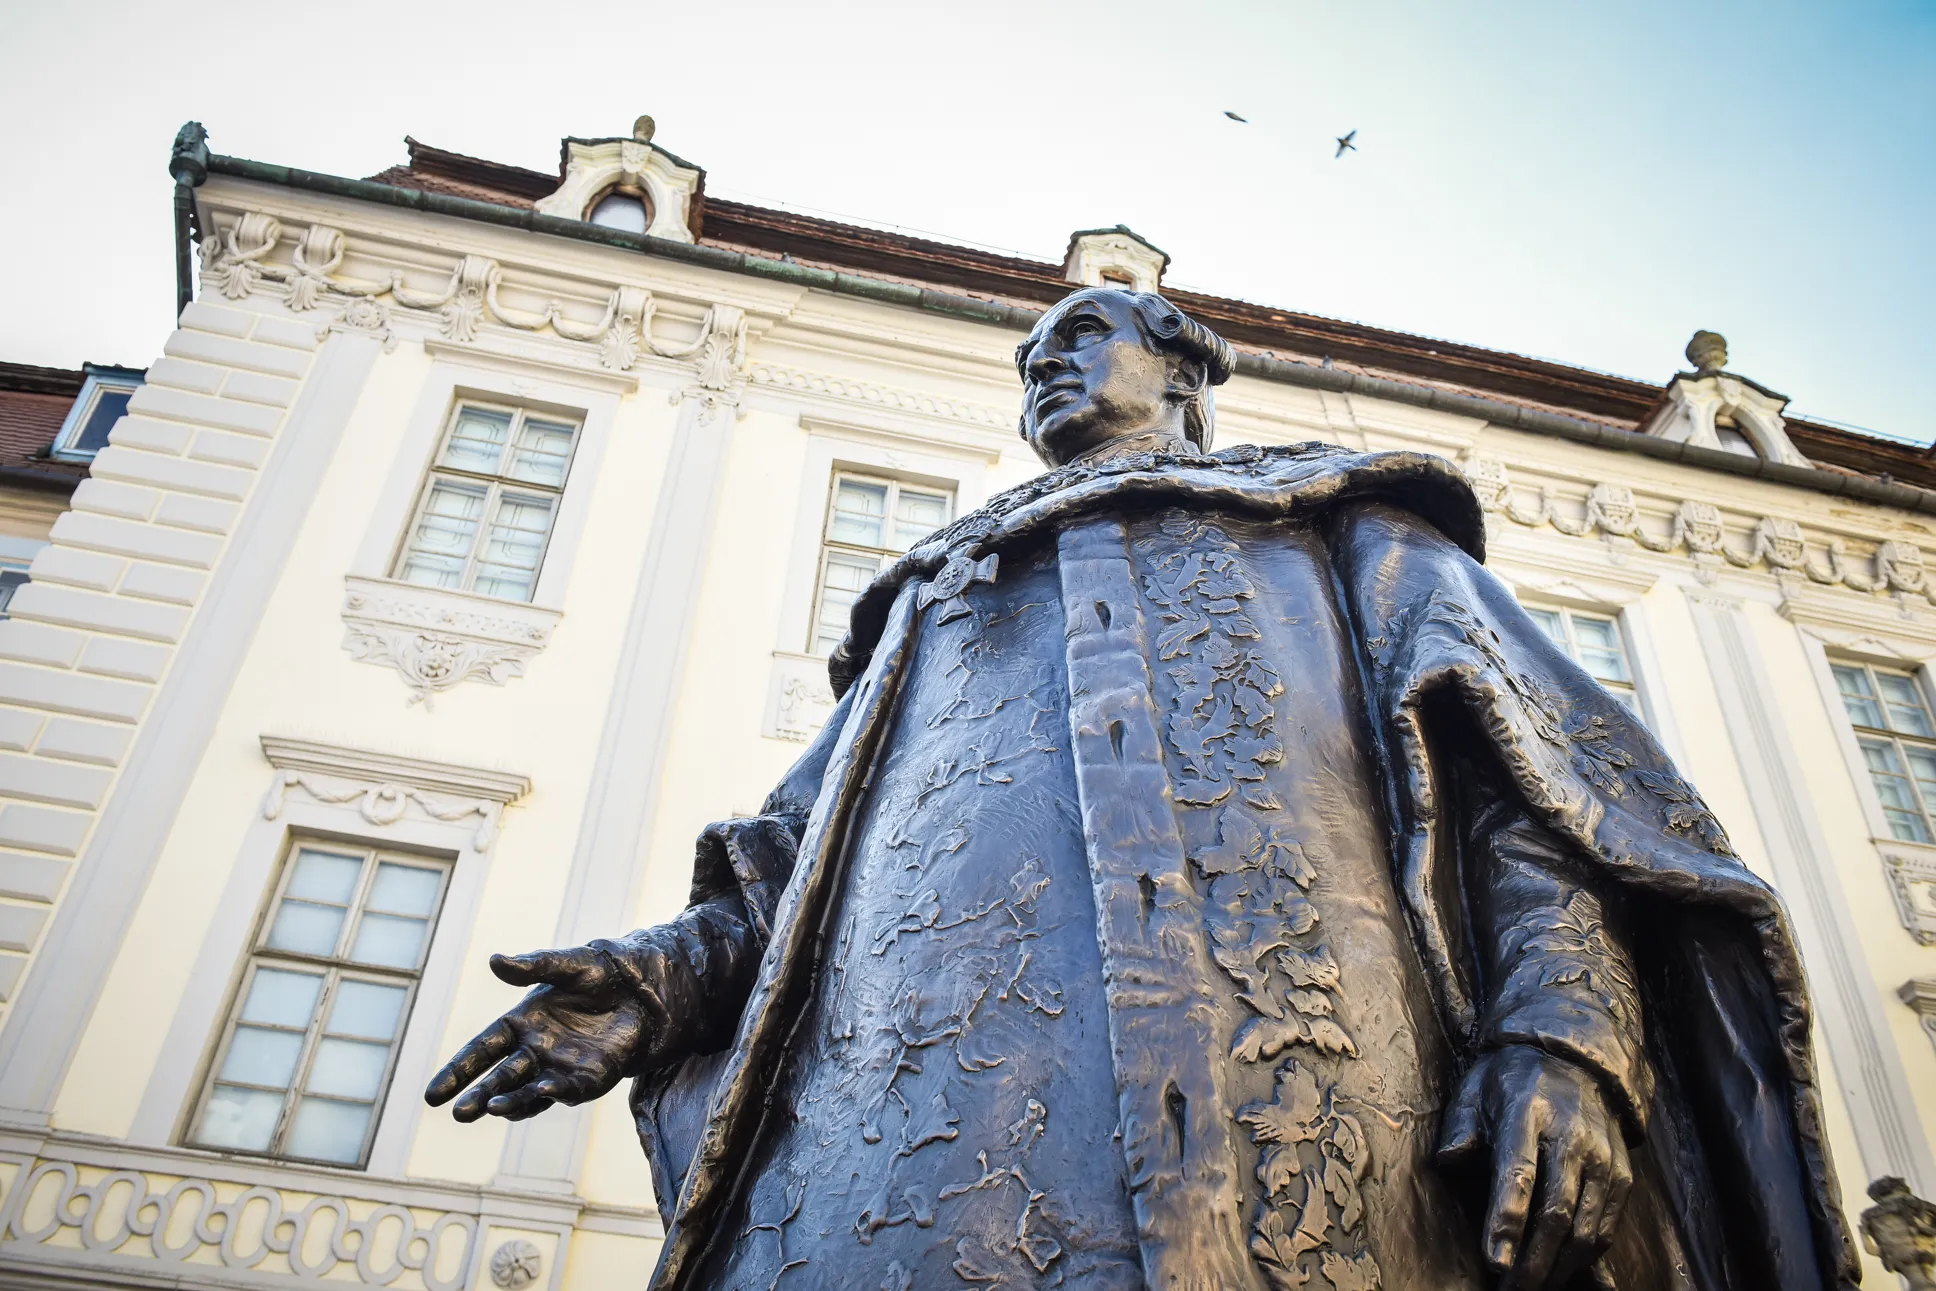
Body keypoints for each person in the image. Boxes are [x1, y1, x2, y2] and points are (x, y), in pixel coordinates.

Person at [428, 288, 1856, 1291]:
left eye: (1081, 335)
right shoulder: (934, 600)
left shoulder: (1340, 524)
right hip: (924, 1171)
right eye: (1028, 354)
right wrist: (658, 982)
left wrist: (1564, 1036)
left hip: (1343, 1135)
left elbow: (1525, 794)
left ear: (1184, 376)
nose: (1044, 365)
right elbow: (792, 868)